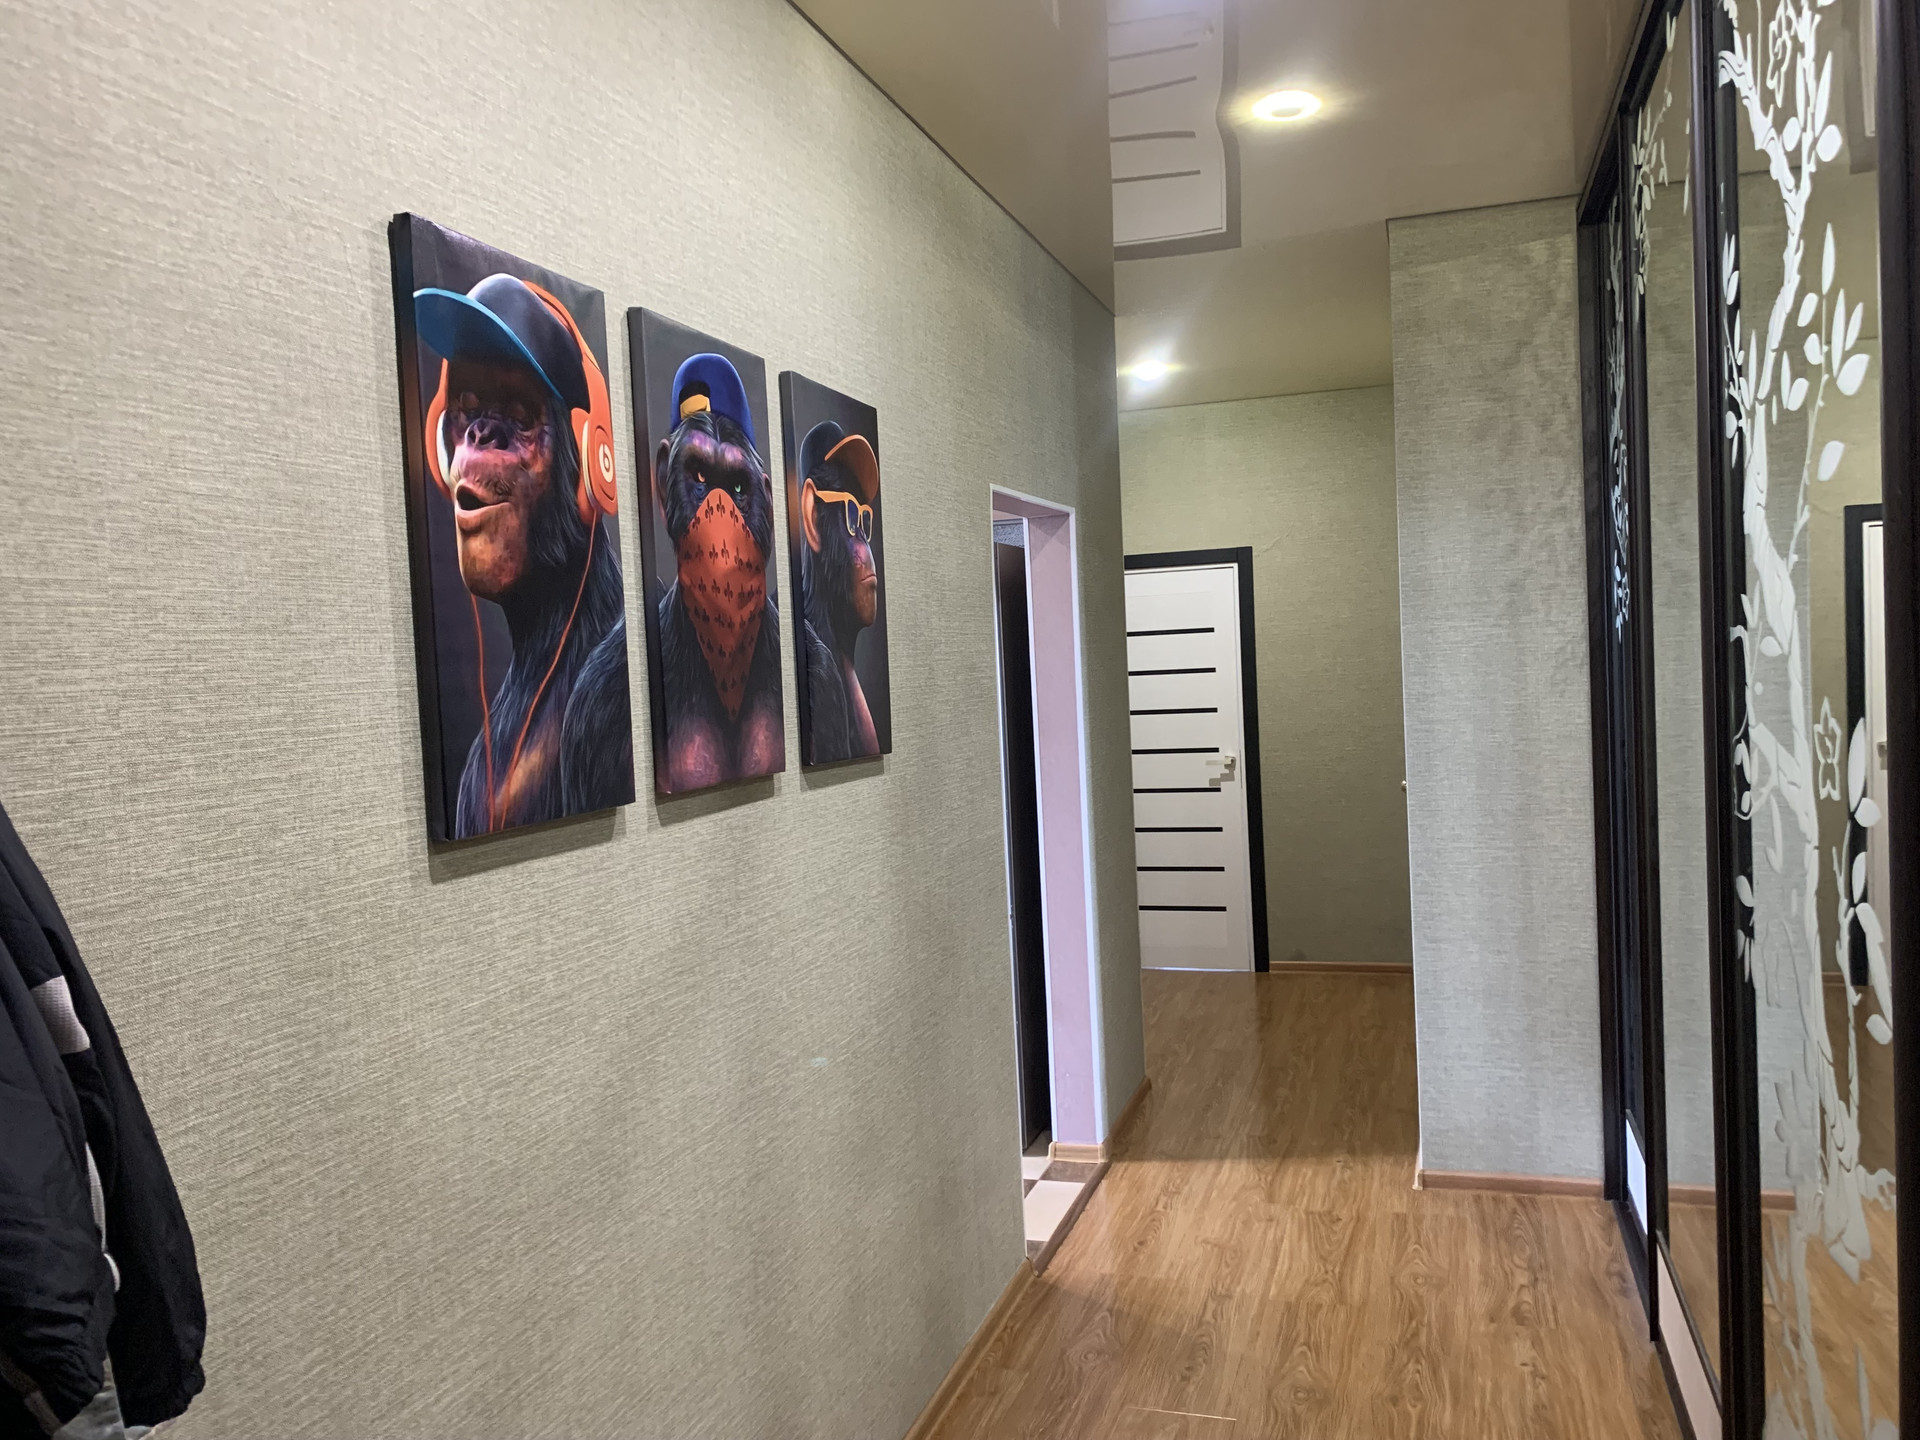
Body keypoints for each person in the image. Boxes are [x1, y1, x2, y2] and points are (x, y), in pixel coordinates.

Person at [414, 274, 632, 837]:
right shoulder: (486, 762)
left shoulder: (613, 687)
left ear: (590, 468)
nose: (478, 436)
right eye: (465, 410)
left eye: (517, 414)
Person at [796, 421, 881, 762]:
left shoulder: (841, 672)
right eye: (850, 516)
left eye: (863, 521)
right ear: (813, 517)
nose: (867, 552)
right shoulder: (810, 661)